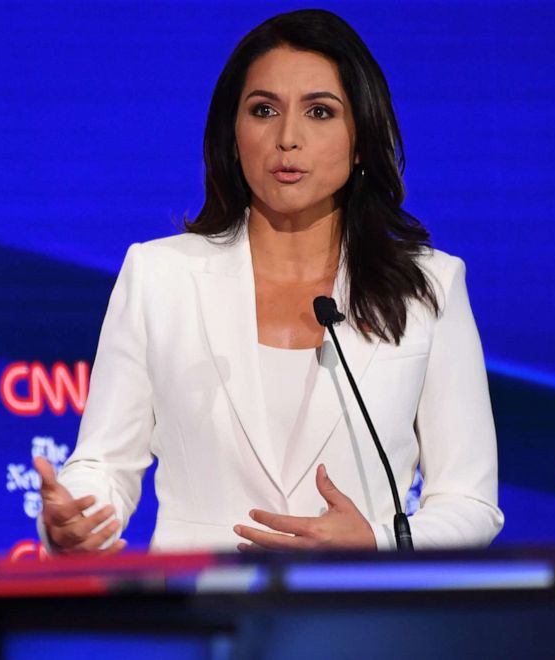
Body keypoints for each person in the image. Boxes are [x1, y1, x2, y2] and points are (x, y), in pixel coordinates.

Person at [34, 9, 503, 553]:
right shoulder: (159, 275)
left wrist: (376, 543)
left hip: (361, 618)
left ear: (360, 141)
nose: (287, 138)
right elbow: (104, 463)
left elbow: (470, 504)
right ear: (233, 135)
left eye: (320, 112)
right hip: (202, 613)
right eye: (263, 110)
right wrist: (78, 519)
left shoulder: (430, 286)